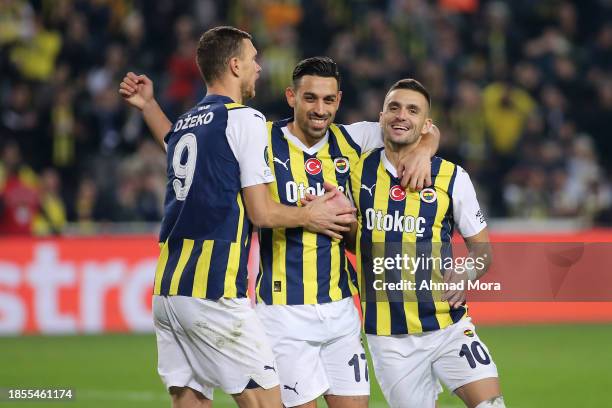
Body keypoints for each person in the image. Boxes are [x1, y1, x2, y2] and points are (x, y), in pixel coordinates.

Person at [121, 56, 440, 408]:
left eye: (329, 100)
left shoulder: (354, 139)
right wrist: (149, 107)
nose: (320, 109)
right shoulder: (262, 138)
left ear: (339, 100)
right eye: (310, 98)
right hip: (283, 314)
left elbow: (415, 125)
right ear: (292, 97)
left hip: (341, 312)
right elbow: (188, 151)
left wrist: (425, 150)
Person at [119, 26, 356, 408]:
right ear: (234, 65)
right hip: (213, 290)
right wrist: (309, 215)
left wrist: (148, 106)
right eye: (253, 59)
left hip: (168, 290)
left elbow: (171, 142)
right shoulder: (244, 119)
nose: (258, 68)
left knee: (190, 398)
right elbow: (261, 213)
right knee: (266, 401)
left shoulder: (188, 123)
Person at [347, 79, 504, 408]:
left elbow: (482, 250)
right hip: (389, 339)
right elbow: (352, 236)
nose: (401, 115)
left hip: (448, 325)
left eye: (412, 110)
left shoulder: (452, 177)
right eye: (394, 107)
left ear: (426, 125)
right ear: (381, 118)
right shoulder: (355, 173)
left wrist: (467, 273)